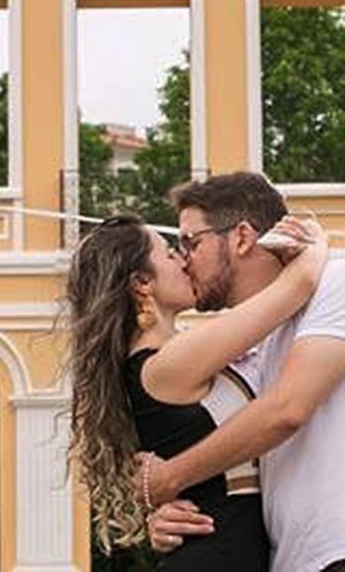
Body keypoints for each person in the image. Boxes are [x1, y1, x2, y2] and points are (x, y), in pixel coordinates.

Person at [64, 205, 325, 570]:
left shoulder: (168, 359)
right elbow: (299, 284)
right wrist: (316, 240)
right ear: (142, 282)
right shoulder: (167, 362)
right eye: (170, 252)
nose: (183, 259)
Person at [146, 171, 345, 572]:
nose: (183, 260)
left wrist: (172, 475)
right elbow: (237, 452)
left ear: (240, 237)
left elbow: (287, 410)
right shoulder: (257, 334)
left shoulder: (335, 280)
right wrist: (169, 511)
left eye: (190, 242)